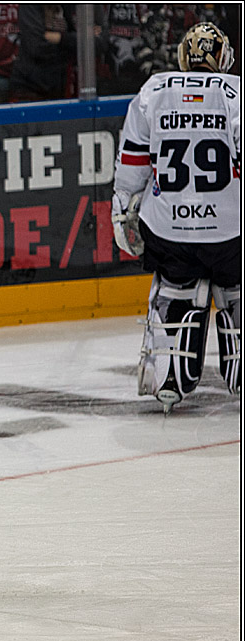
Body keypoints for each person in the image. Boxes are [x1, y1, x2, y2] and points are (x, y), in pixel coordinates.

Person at [111, 22, 241, 414]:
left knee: (175, 288)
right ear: (223, 58)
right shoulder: (236, 93)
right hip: (230, 234)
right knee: (236, 287)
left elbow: (131, 166)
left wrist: (121, 211)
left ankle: (168, 372)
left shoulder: (154, 90)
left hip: (169, 232)